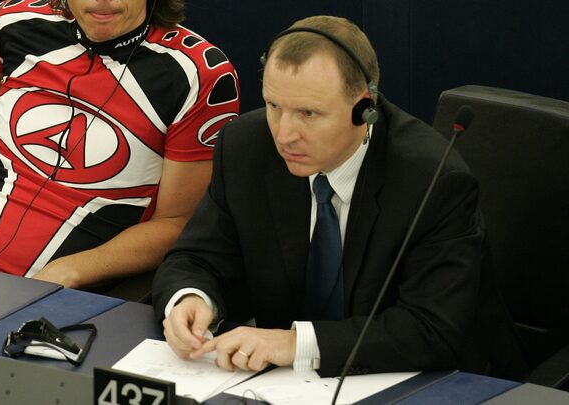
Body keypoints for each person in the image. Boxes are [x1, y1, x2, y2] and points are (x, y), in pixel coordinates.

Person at [152, 15, 526, 378]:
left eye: (308, 113)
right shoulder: (245, 146)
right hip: (287, 384)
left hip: (431, 382)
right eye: (274, 106)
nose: (284, 134)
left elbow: (431, 329)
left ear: (364, 108)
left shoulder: (433, 181)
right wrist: (191, 298)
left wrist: (296, 344)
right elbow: (197, 256)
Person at [0, 0, 240, 289]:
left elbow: (178, 222)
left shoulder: (198, 74)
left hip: (70, 292)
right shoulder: (12, 20)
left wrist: (72, 271)